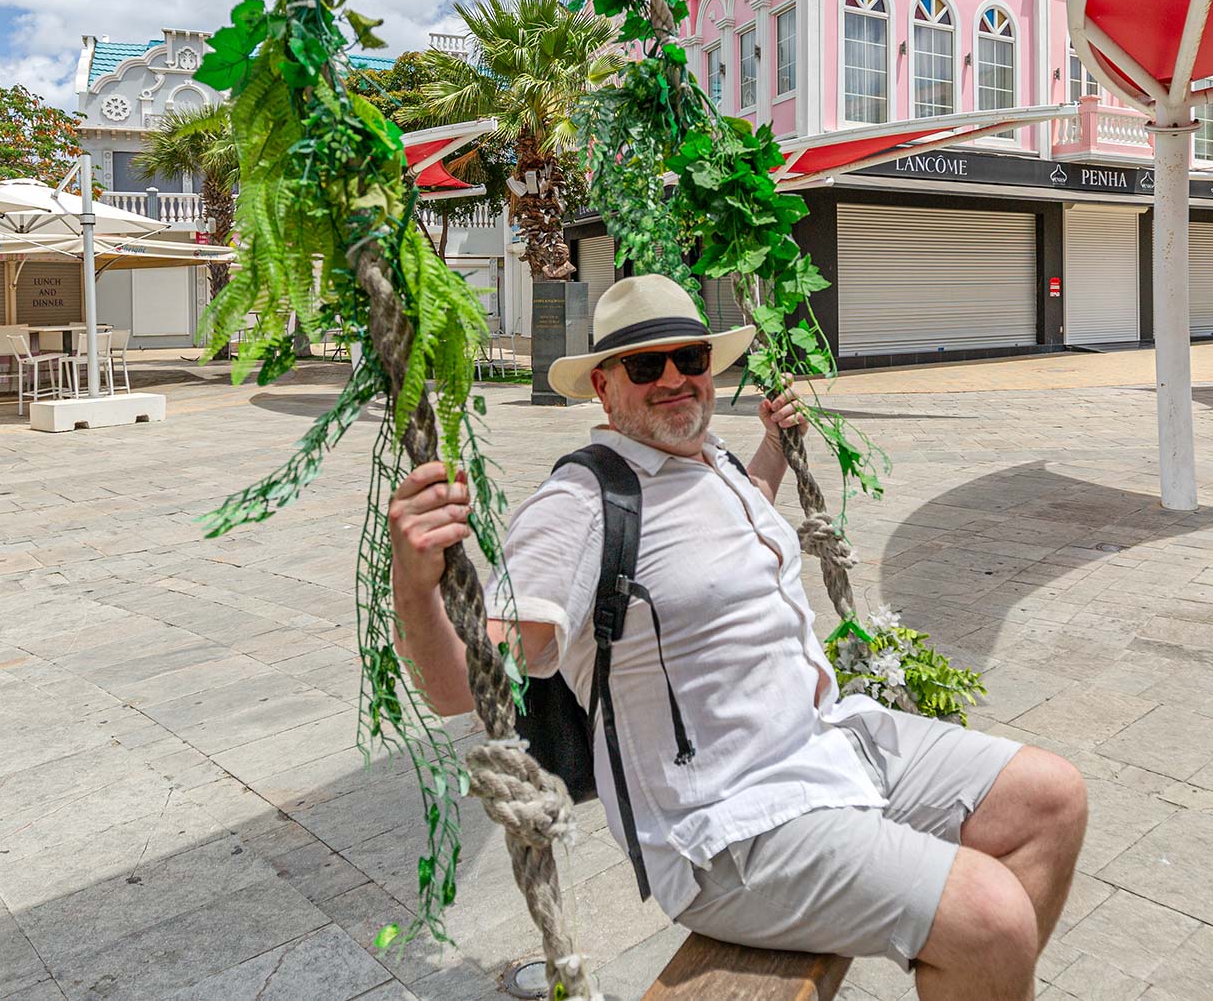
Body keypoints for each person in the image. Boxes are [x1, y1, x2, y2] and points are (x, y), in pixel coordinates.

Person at [389, 275, 1085, 1000]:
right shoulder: (580, 505)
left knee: (1051, 799)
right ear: (602, 385)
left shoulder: (711, 458)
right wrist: (414, 585)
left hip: (830, 741)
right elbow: (460, 691)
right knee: (993, 917)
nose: (673, 379)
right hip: (727, 825)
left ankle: (974, 970)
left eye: (689, 357)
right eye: (644, 364)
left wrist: (775, 448)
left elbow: (734, 527)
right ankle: (974, 951)